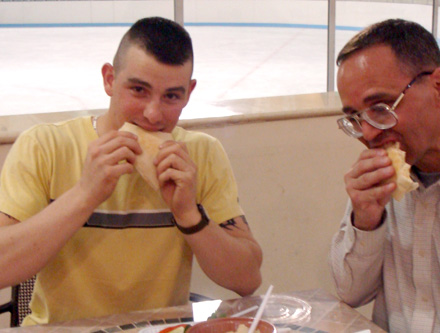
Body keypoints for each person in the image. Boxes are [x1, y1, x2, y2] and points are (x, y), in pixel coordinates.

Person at [0, 16, 262, 325]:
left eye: (171, 96)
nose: (153, 114)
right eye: (138, 90)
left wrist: (189, 214)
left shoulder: (201, 154)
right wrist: (85, 194)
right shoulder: (46, 145)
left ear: (189, 93)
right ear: (109, 79)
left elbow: (247, 279)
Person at [329, 18, 440, 332]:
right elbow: (351, 292)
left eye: (380, 107)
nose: (366, 132)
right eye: (355, 117)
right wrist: (365, 219)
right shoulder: (383, 184)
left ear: (439, 87)